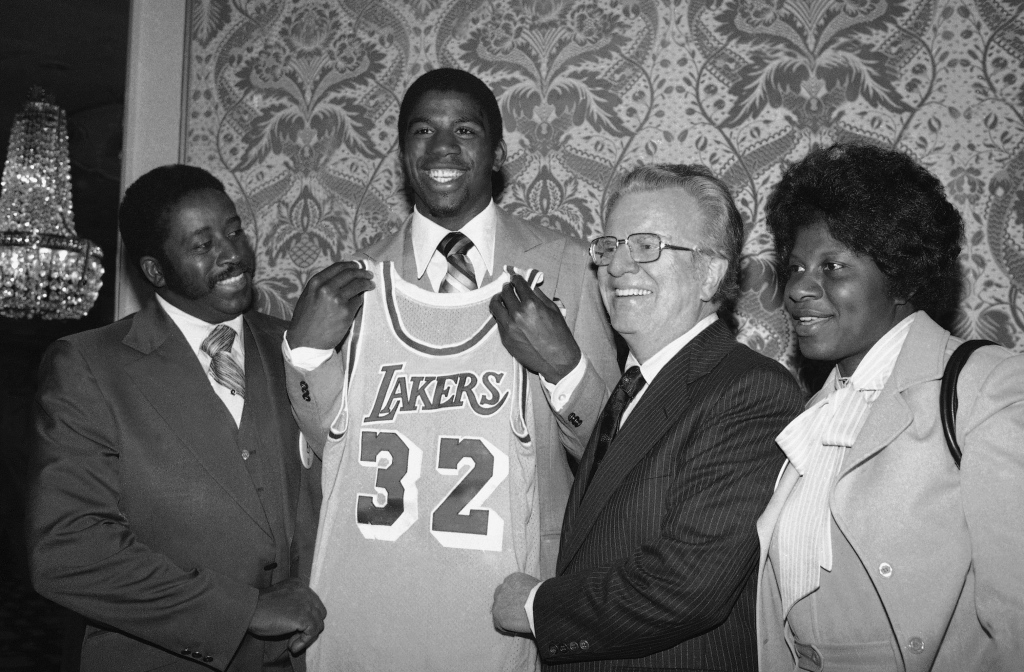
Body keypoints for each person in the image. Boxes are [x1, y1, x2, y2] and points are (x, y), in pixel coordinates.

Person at [283, 68, 618, 671]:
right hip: (386, 584)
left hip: (516, 589)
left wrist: (563, 369)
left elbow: (615, 448)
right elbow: (327, 450)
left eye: (464, 129)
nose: (442, 149)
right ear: (402, 151)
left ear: (497, 151)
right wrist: (304, 357)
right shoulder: (358, 280)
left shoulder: (565, 266)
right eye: (422, 131)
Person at [491, 163, 804, 671]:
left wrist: (535, 607)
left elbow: (687, 585)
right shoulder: (628, 389)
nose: (617, 267)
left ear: (710, 272)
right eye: (609, 247)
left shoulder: (749, 391)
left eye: (647, 246)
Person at [27, 165, 326, 672]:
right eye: (202, 244)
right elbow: (67, 548)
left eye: (233, 231)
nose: (233, 254)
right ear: (155, 271)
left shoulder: (299, 345)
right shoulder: (88, 365)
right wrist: (243, 611)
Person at [756, 143, 1024, 671]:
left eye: (832, 266)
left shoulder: (985, 388)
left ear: (900, 275)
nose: (798, 289)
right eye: (794, 268)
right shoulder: (816, 413)